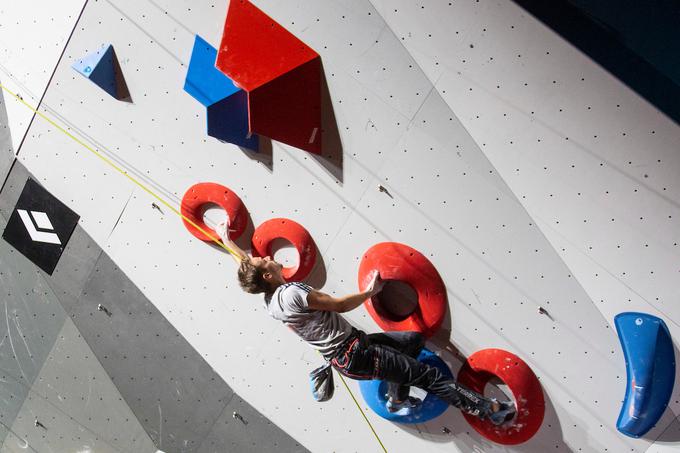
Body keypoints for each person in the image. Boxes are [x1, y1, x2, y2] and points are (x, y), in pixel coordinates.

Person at [216, 222, 515, 423]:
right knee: (427, 377)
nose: (263, 256)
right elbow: (341, 304)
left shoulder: (270, 301)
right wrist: (372, 291)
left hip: (353, 349)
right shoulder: (294, 292)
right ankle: (489, 410)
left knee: (411, 342)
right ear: (268, 275)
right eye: (261, 260)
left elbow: (247, 266)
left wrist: (227, 240)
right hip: (356, 354)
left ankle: (397, 399)